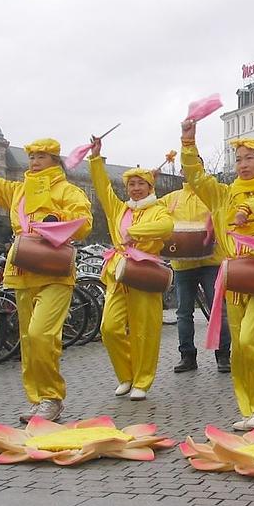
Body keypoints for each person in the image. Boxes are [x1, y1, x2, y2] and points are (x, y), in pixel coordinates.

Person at [0, 135, 92, 422]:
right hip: (23, 270)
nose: (34, 162)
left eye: (41, 157)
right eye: (32, 157)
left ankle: (51, 396)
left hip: (55, 272)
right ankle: (38, 400)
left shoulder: (67, 190)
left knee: (42, 334)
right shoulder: (18, 191)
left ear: (54, 160)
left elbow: (84, 221)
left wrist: (56, 219)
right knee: (28, 339)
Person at [180, 119, 254, 431]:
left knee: (253, 340)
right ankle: (248, 409)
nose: (242, 164)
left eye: (249, 158)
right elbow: (196, 177)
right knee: (239, 348)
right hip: (233, 280)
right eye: (239, 159)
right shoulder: (223, 195)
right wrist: (188, 144)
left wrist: (250, 209)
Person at [88, 137, 174, 401]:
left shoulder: (159, 210)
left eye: (141, 184)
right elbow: (102, 188)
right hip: (119, 272)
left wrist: (134, 233)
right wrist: (95, 159)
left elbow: (166, 228)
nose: (136, 189)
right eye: (132, 184)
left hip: (146, 274)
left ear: (150, 187)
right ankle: (126, 375)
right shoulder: (119, 209)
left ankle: (142, 381)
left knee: (145, 330)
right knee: (110, 328)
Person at [161, 165, 231, 374]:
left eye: (195, 167)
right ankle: (187, 356)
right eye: (186, 168)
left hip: (212, 261)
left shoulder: (214, 193)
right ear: (182, 171)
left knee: (219, 310)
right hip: (182, 265)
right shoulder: (170, 198)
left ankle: (223, 355)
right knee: (184, 312)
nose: (190, 172)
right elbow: (155, 218)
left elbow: (228, 214)